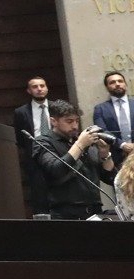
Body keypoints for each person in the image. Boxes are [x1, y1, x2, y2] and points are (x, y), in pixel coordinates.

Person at [30, 100, 114, 220]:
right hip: (66, 214)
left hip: (95, 212)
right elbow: (56, 170)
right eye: (69, 121)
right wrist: (80, 144)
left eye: (77, 121)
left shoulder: (84, 142)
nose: (75, 126)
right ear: (53, 121)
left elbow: (110, 178)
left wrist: (105, 154)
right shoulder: (43, 142)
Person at [13, 76, 52, 213]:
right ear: (29, 91)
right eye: (35, 87)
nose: (39, 89)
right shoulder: (21, 112)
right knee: (39, 198)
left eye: (42, 86)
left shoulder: (57, 107)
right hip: (35, 158)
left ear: (47, 88)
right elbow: (20, 137)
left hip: (58, 155)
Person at [91, 70, 134, 167]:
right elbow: (102, 131)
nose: (117, 84)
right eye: (112, 82)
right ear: (107, 87)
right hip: (116, 158)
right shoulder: (100, 109)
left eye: (120, 81)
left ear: (125, 84)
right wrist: (122, 145)